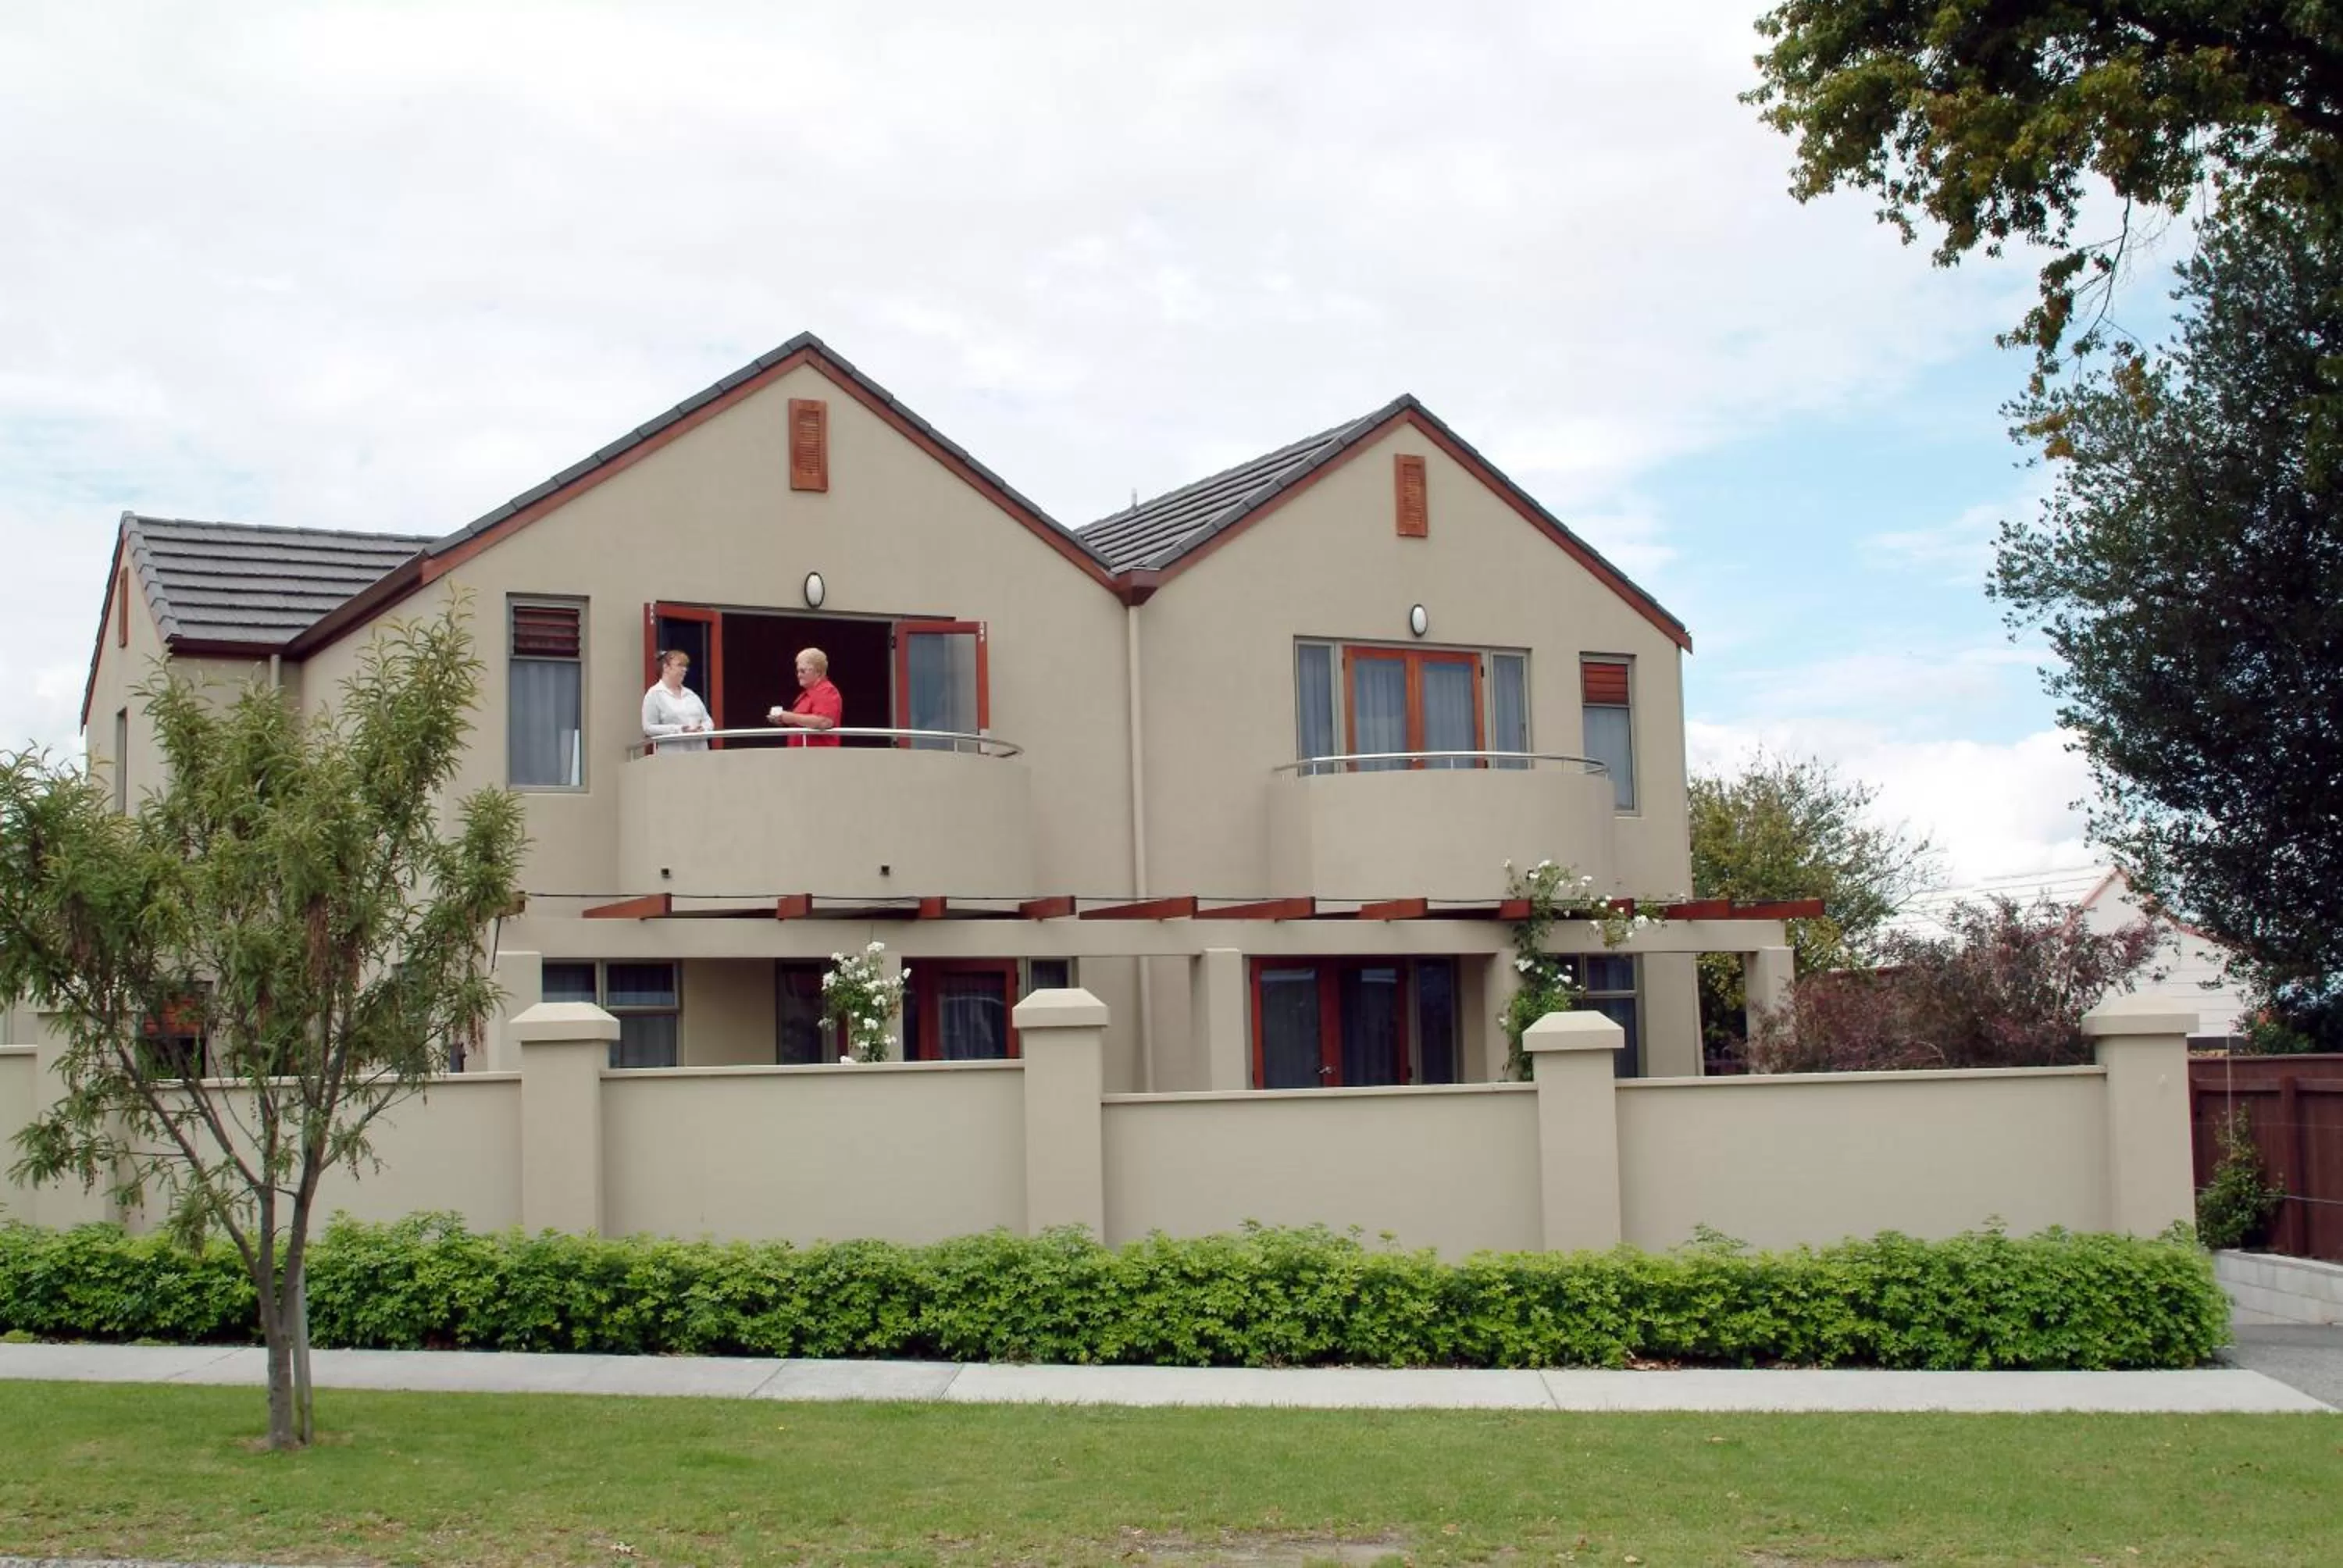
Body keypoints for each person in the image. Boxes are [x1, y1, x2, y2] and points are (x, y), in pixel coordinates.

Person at [769, 647, 843, 747]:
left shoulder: (828, 691)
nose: (799, 675)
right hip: (801, 755)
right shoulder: (804, 695)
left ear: (818, 672)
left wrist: (791, 717)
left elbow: (825, 722)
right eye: (798, 671)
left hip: (818, 756)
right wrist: (782, 719)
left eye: (803, 671)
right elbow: (802, 721)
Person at [641, 649, 713, 753]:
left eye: (685, 666)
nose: (684, 670)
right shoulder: (654, 694)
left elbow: (708, 721)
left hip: (699, 755)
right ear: (666, 667)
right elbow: (648, 727)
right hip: (673, 758)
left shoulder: (691, 695)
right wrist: (678, 729)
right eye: (680, 665)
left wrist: (703, 728)